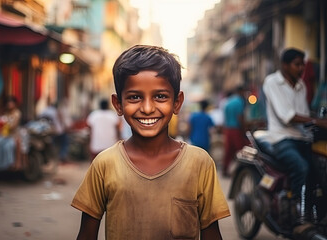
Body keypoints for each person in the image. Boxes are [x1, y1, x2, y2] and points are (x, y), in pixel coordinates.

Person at [71, 45, 230, 240]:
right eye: (135, 97)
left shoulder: (199, 163)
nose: (147, 108)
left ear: (177, 102)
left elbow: (212, 234)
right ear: (118, 104)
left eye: (160, 96)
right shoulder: (105, 164)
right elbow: (86, 234)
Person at [263, 48, 327, 225]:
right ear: (285, 65)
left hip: (302, 138)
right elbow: (287, 116)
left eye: (302, 65)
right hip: (281, 139)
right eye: (297, 64)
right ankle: (298, 213)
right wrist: (318, 120)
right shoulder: (272, 82)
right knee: (302, 167)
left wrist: (316, 121)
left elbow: (304, 116)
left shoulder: (301, 86)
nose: (301, 69)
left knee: (320, 171)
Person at [222, 85, 248, 177]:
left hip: (228, 129)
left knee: (229, 150)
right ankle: (243, 170)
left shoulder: (228, 101)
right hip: (236, 129)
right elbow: (240, 117)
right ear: (241, 92)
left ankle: (225, 170)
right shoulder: (239, 102)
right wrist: (245, 130)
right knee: (242, 149)